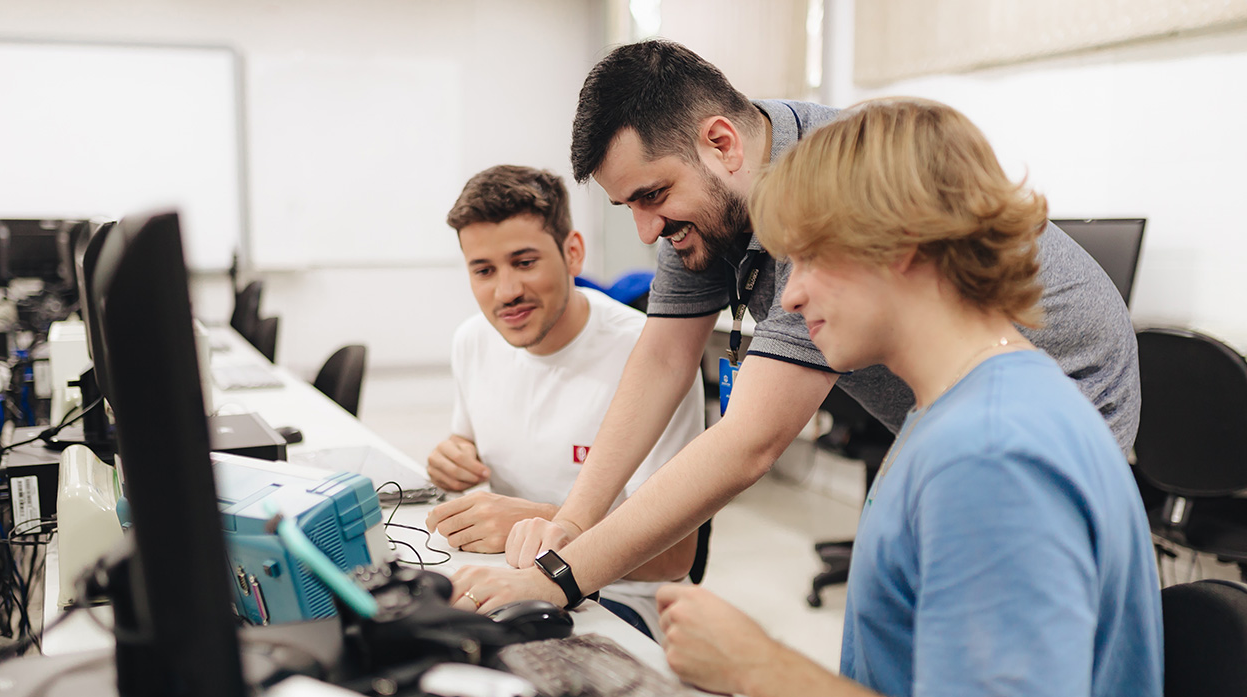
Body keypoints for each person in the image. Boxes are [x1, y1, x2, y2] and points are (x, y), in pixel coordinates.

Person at [448, 40, 1140, 621]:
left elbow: (750, 439)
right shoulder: (705, 204)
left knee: (967, 621)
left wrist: (559, 577)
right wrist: (569, 525)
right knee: (896, 616)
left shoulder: (832, 204)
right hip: (936, 416)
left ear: (721, 142)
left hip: (1057, 403)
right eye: (628, 204)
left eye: (652, 196)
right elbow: (663, 357)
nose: (646, 229)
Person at [655, 97, 1172, 697]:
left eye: (810, 259)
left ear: (903, 246)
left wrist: (760, 667)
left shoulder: (992, 453)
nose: (789, 296)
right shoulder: (958, 410)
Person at [426, 164, 705, 637]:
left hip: (616, 597)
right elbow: (470, 443)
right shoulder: (472, 340)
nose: (506, 291)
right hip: (503, 572)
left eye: (525, 262)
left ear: (572, 252)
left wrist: (545, 523)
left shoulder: (653, 357)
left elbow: (676, 558)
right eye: (484, 270)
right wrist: (453, 455)